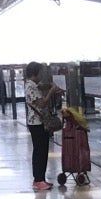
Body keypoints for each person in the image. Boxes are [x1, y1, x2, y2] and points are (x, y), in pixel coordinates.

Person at [23, 62, 65, 192]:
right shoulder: (31, 87)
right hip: (37, 123)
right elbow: (41, 104)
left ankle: (40, 179)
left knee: (41, 151)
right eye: (40, 72)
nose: (42, 75)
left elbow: (41, 88)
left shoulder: (33, 85)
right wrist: (51, 92)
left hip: (37, 123)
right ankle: (38, 179)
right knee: (40, 151)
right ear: (35, 73)